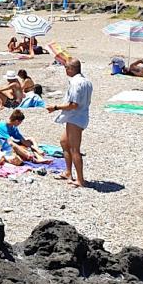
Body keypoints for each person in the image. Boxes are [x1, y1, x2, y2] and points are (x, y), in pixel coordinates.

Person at [48, 58, 92, 188]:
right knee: (64, 142)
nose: (65, 70)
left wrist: (55, 107)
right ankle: (68, 172)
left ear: (71, 69)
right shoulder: (86, 81)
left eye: (66, 68)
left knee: (74, 149)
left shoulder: (76, 83)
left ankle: (80, 180)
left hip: (75, 117)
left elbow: (73, 105)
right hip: (79, 116)